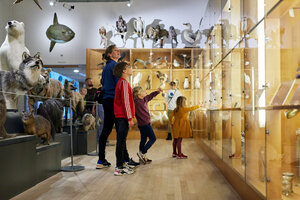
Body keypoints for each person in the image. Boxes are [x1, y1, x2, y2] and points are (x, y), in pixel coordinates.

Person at [96, 44, 120, 169]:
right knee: (121, 130)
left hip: (107, 100)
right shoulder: (115, 66)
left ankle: (101, 159)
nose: (118, 51)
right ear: (109, 54)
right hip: (113, 100)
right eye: (115, 50)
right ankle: (122, 162)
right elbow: (118, 84)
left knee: (106, 129)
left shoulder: (106, 67)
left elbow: (104, 83)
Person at [113, 61, 135, 175]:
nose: (131, 69)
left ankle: (123, 164)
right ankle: (119, 167)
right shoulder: (124, 83)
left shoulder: (121, 83)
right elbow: (126, 102)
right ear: (124, 70)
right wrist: (130, 118)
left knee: (122, 141)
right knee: (121, 141)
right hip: (123, 116)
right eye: (129, 67)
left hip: (120, 116)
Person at [133, 86, 162, 164]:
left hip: (145, 123)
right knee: (153, 138)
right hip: (144, 124)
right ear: (138, 94)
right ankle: (142, 153)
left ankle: (142, 157)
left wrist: (157, 91)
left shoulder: (145, 99)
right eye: (142, 91)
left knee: (143, 140)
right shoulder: (135, 102)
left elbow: (151, 95)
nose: (145, 91)